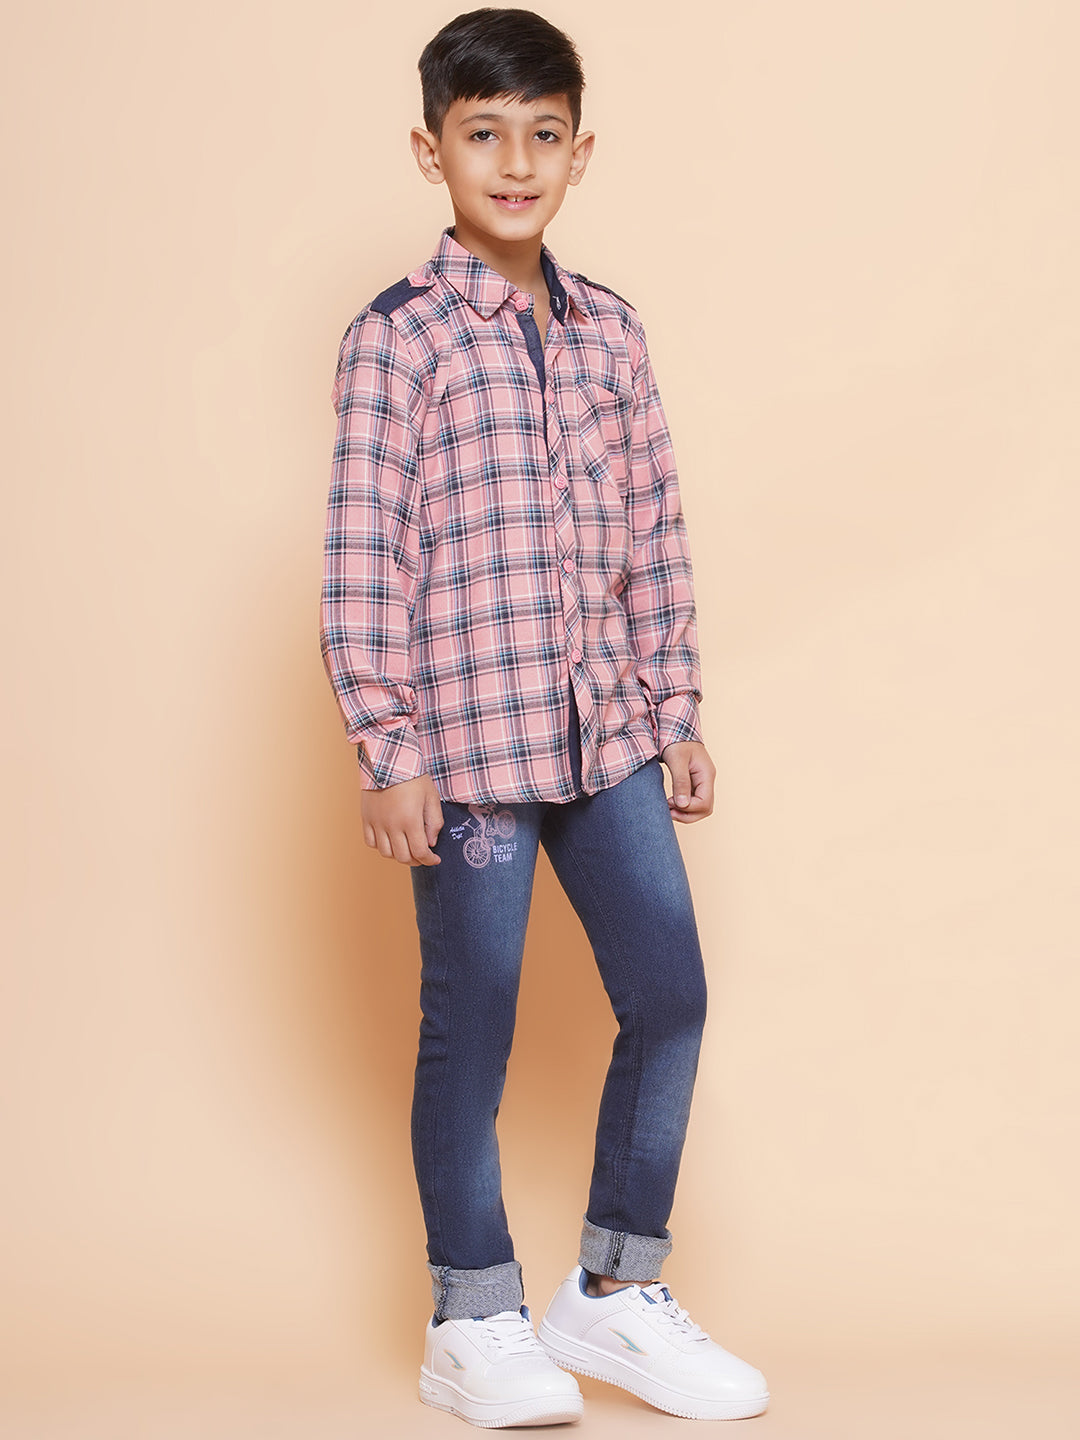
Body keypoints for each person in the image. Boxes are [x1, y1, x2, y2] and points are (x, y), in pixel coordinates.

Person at [320, 7, 769, 1427]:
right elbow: (364, 554)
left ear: (580, 152)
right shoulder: (397, 340)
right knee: (476, 1021)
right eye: (483, 134)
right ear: (431, 151)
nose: (515, 163)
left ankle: (616, 1289)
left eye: (544, 135)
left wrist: (675, 706)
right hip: (466, 753)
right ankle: (474, 1312)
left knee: (670, 994)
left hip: (608, 732)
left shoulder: (611, 332)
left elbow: (655, 533)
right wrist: (389, 749)